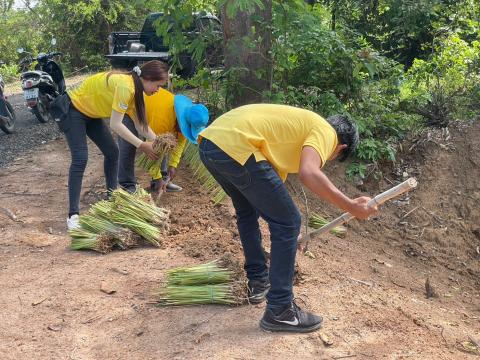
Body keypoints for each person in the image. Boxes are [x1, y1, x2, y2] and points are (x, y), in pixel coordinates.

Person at [197, 104, 378, 333]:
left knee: (249, 212)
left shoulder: (291, 133)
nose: (326, 159)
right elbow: (309, 173)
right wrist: (350, 206)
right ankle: (280, 310)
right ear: (340, 147)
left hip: (211, 144)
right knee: (290, 220)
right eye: (333, 157)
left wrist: (290, 237)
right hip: (235, 146)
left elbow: (270, 203)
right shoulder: (326, 132)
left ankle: (258, 281)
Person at [56, 60, 168, 230]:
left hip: (91, 113)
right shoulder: (126, 87)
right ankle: (73, 216)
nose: (158, 90)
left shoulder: (136, 91)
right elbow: (116, 125)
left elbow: (140, 126)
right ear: (149, 79)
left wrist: (159, 141)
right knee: (80, 158)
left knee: (112, 153)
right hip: (74, 109)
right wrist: (142, 145)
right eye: (158, 85)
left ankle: (111, 200)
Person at [118, 89, 208, 194]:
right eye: (186, 128)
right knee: (128, 147)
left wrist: (173, 165)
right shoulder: (163, 119)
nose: (185, 131)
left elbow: (180, 142)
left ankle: (163, 179)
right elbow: (152, 149)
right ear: (181, 120)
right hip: (129, 110)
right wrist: (157, 177)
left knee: (166, 144)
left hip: (152, 114)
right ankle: (128, 187)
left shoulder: (184, 116)